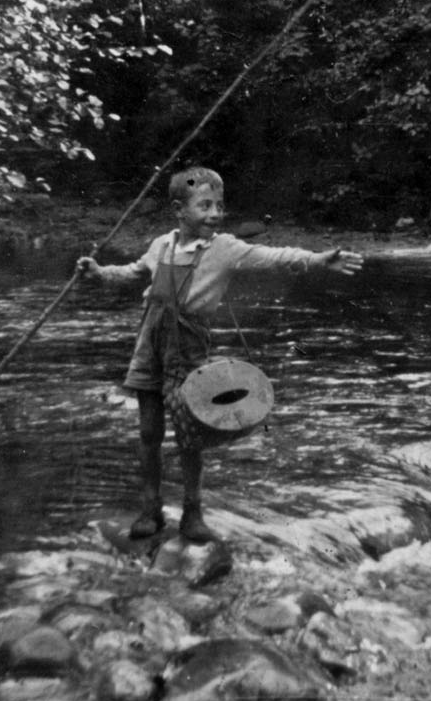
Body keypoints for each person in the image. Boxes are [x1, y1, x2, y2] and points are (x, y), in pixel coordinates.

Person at [76, 166, 362, 543]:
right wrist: (98, 272)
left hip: (189, 350)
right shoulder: (160, 246)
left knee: (190, 435)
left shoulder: (223, 248)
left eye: (219, 206)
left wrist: (318, 259)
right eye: (205, 205)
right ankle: (150, 509)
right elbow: (133, 273)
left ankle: (193, 512)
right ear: (179, 209)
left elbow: (273, 256)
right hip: (149, 346)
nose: (215, 214)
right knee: (148, 432)